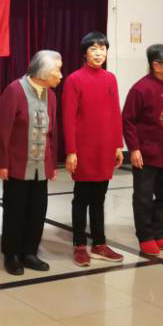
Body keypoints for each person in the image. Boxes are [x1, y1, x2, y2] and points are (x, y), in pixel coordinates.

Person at [0, 50, 62, 275]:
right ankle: (11, 254)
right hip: (17, 164)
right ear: (44, 73)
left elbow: (53, 134)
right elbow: (1, 129)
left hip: (41, 165)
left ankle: (29, 252)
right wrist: (1, 162)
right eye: (57, 70)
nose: (61, 75)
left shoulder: (51, 96)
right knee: (15, 211)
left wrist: (52, 164)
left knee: (37, 210)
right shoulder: (14, 90)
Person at [62, 32, 125, 267]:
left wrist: (118, 145)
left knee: (99, 198)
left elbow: (115, 112)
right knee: (81, 198)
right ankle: (79, 245)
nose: (99, 53)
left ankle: (99, 244)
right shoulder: (74, 79)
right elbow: (68, 118)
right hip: (83, 149)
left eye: (103, 49)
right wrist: (71, 151)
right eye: (94, 49)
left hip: (105, 148)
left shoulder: (110, 78)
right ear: (84, 53)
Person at [122, 44, 163, 256]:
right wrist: (134, 149)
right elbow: (128, 121)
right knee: (143, 196)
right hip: (147, 154)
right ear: (156, 65)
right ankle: (145, 236)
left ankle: (160, 233)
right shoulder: (140, 89)